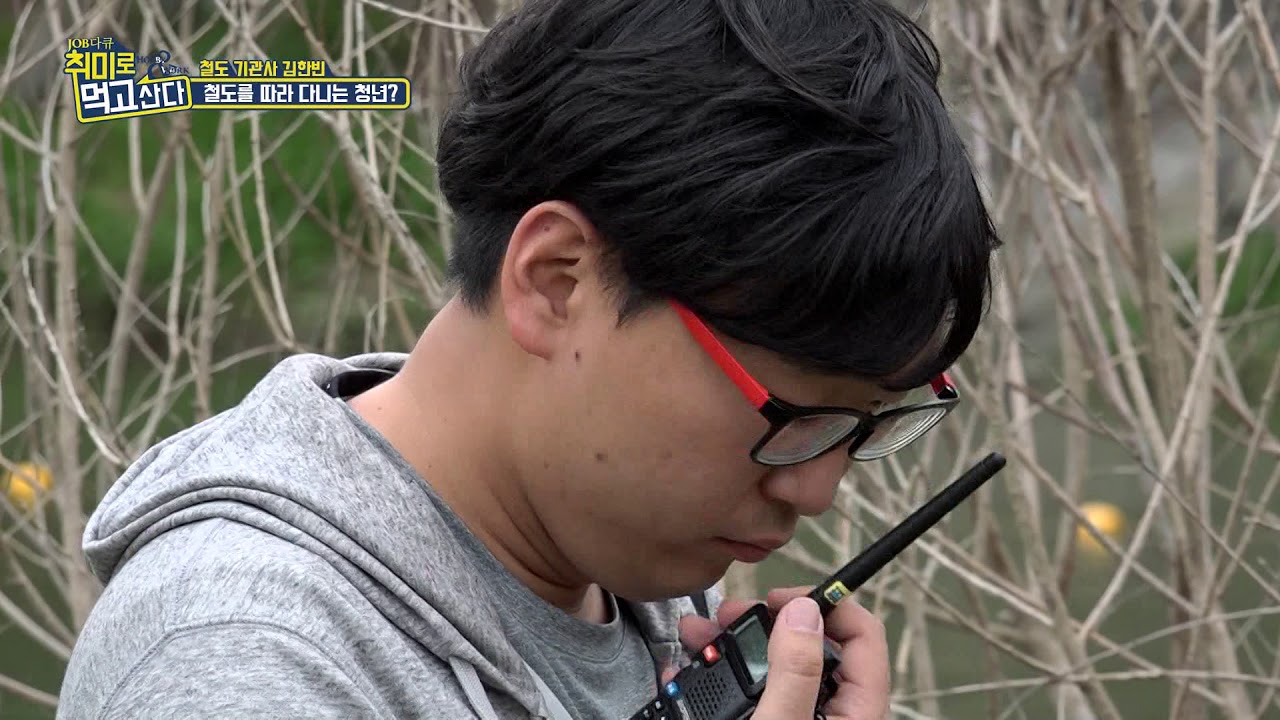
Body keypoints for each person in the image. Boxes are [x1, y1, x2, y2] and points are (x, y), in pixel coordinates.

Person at [58, 0, 999, 717]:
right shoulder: (242, 663)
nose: (818, 490)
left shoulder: (632, 571)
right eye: (791, 418)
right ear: (556, 280)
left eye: (863, 427)